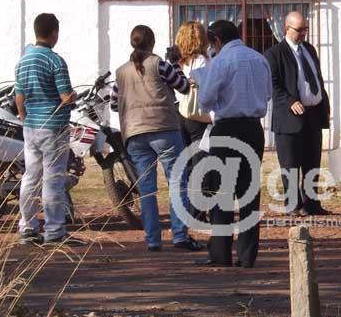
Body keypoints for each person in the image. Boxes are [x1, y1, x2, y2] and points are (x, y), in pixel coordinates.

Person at [111, 25, 203, 253]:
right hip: (164, 129)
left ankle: (153, 239)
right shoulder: (160, 64)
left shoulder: (121, 72)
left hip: (134, 133)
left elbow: (114, 104)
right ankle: (180, 235)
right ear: (152, 43)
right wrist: (175, 63)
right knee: (177, 182)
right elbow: (183, 87)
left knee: (146, 188)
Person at [196, 20, 272, 268]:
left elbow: (205, 100)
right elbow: (267, 94)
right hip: (253, 129)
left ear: (217, 40)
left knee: (223, 191)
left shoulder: (221, 61)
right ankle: (247, 254)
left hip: (227, 128)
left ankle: (221, 252)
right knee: (249, 191)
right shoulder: (259, 58)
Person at [15, 13, 79, 246]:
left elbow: (19, 98)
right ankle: (54, 230)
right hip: (54, 127)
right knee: (53, 179)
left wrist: (25, 120)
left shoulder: (22, 62)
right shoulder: (55, 61)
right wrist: (74, 96)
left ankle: (28, 227)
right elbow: (65, 97)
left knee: (31, 177)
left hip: (31, 127)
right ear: (54, 32)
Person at [264, 11, 331, 216]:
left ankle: (312, 204)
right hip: (289, 118)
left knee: (312, 164)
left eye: (306, 29)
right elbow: (272, 84)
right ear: (286, 29)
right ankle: (292, 204)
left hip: (313, 115)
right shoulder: (275, 53)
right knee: (290, 164)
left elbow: (316, 78)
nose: (303, 33)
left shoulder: (309, 49)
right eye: (299, 30)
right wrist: (290, 101)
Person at [173, 21, 213, 221]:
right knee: (201, 163)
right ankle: (197, 211)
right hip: (199, 115)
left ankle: (186, 207)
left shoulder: (176, 63)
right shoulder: (204, 61)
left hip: (178, 113)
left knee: (185, 163)